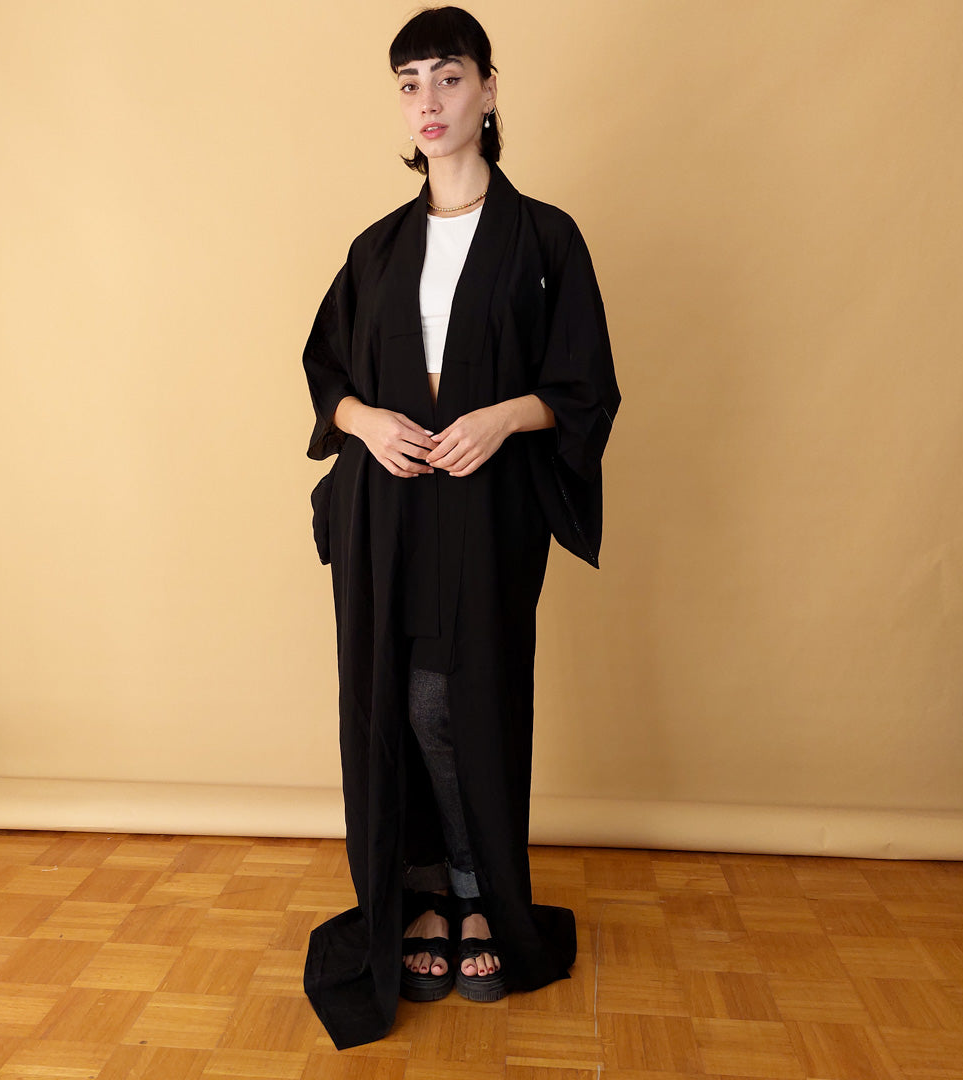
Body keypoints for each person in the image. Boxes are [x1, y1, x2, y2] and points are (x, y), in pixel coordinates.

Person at [301, 5, 619, 1050]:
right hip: (386, 502)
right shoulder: (377, 247)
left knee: (459, 699)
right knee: (390, 701)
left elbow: (583, 385)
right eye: (409, 84)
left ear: (487, 87)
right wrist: (364, 421)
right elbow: (327, 372)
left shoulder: (545, 239)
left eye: (447, 77)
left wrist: (505, 415)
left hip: (485, 507)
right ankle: (422, 894)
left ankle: (483, 892)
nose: (427, 101)